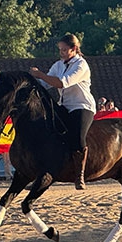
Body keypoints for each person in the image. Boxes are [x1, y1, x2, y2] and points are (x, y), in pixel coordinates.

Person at [30, 33, 97, 189]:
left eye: (64, 50)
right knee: (46, 132)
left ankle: (79, 175)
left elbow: (61, 83)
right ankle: (42, 172)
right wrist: (30, 81)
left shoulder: (81, 65)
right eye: (60, 49)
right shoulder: (58, 65)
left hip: (81, 106)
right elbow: (45, 84)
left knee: (78, 137)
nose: (61, 53)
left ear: (74, 49)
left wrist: (40, 74)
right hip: (64, 106)